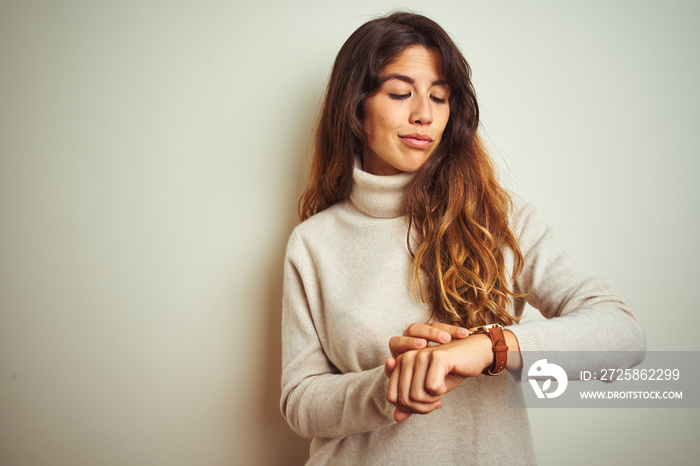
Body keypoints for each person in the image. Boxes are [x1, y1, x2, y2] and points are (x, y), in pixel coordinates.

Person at [280, 11, 645, 465]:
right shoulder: (313, 243)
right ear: (356, 109)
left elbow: (623, 334)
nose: (424, 115)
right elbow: (300, 403)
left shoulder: (499, 221)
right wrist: (388, 385)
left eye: (440, 97)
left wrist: (490, 347)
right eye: (400, 93)